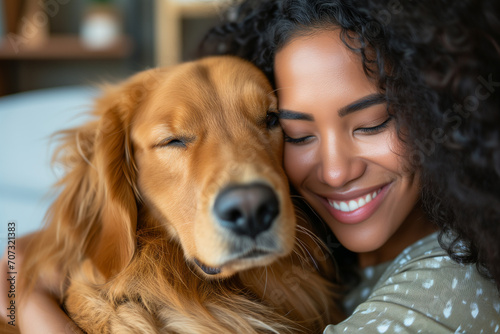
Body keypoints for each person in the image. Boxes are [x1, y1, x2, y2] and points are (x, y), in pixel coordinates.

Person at [2, 0, 500, 332]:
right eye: (298, 133)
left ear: (437, 108)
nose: (333, 173)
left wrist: (32, 307)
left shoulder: (448, 285)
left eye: (371, 123)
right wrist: (27, 272)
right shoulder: (336, 239)